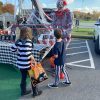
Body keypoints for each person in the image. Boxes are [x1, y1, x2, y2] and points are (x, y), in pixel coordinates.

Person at [11, 26, 42, 97]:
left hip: (21, 65)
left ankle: (23, 91)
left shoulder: (18, 41)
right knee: (32, 77)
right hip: (28, 65)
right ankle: (35, 92)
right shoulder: (29, 42)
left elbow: (12, 49)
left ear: (21, 33)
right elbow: (29, 52)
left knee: (23, 77)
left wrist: (17, 51)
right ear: (29, 33)